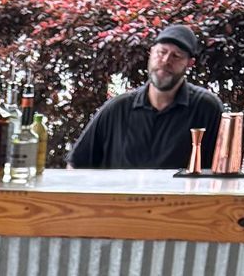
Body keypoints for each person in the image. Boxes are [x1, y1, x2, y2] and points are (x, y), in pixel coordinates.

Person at [69, 24, 223, 172]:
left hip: (182, 200)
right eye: (161, 52)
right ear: (151, 53)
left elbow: (223, 171)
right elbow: (76, 166)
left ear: (190, 64)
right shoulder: (117, 109)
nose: (166, 61)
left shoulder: (206, 108)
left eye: (176, 56)